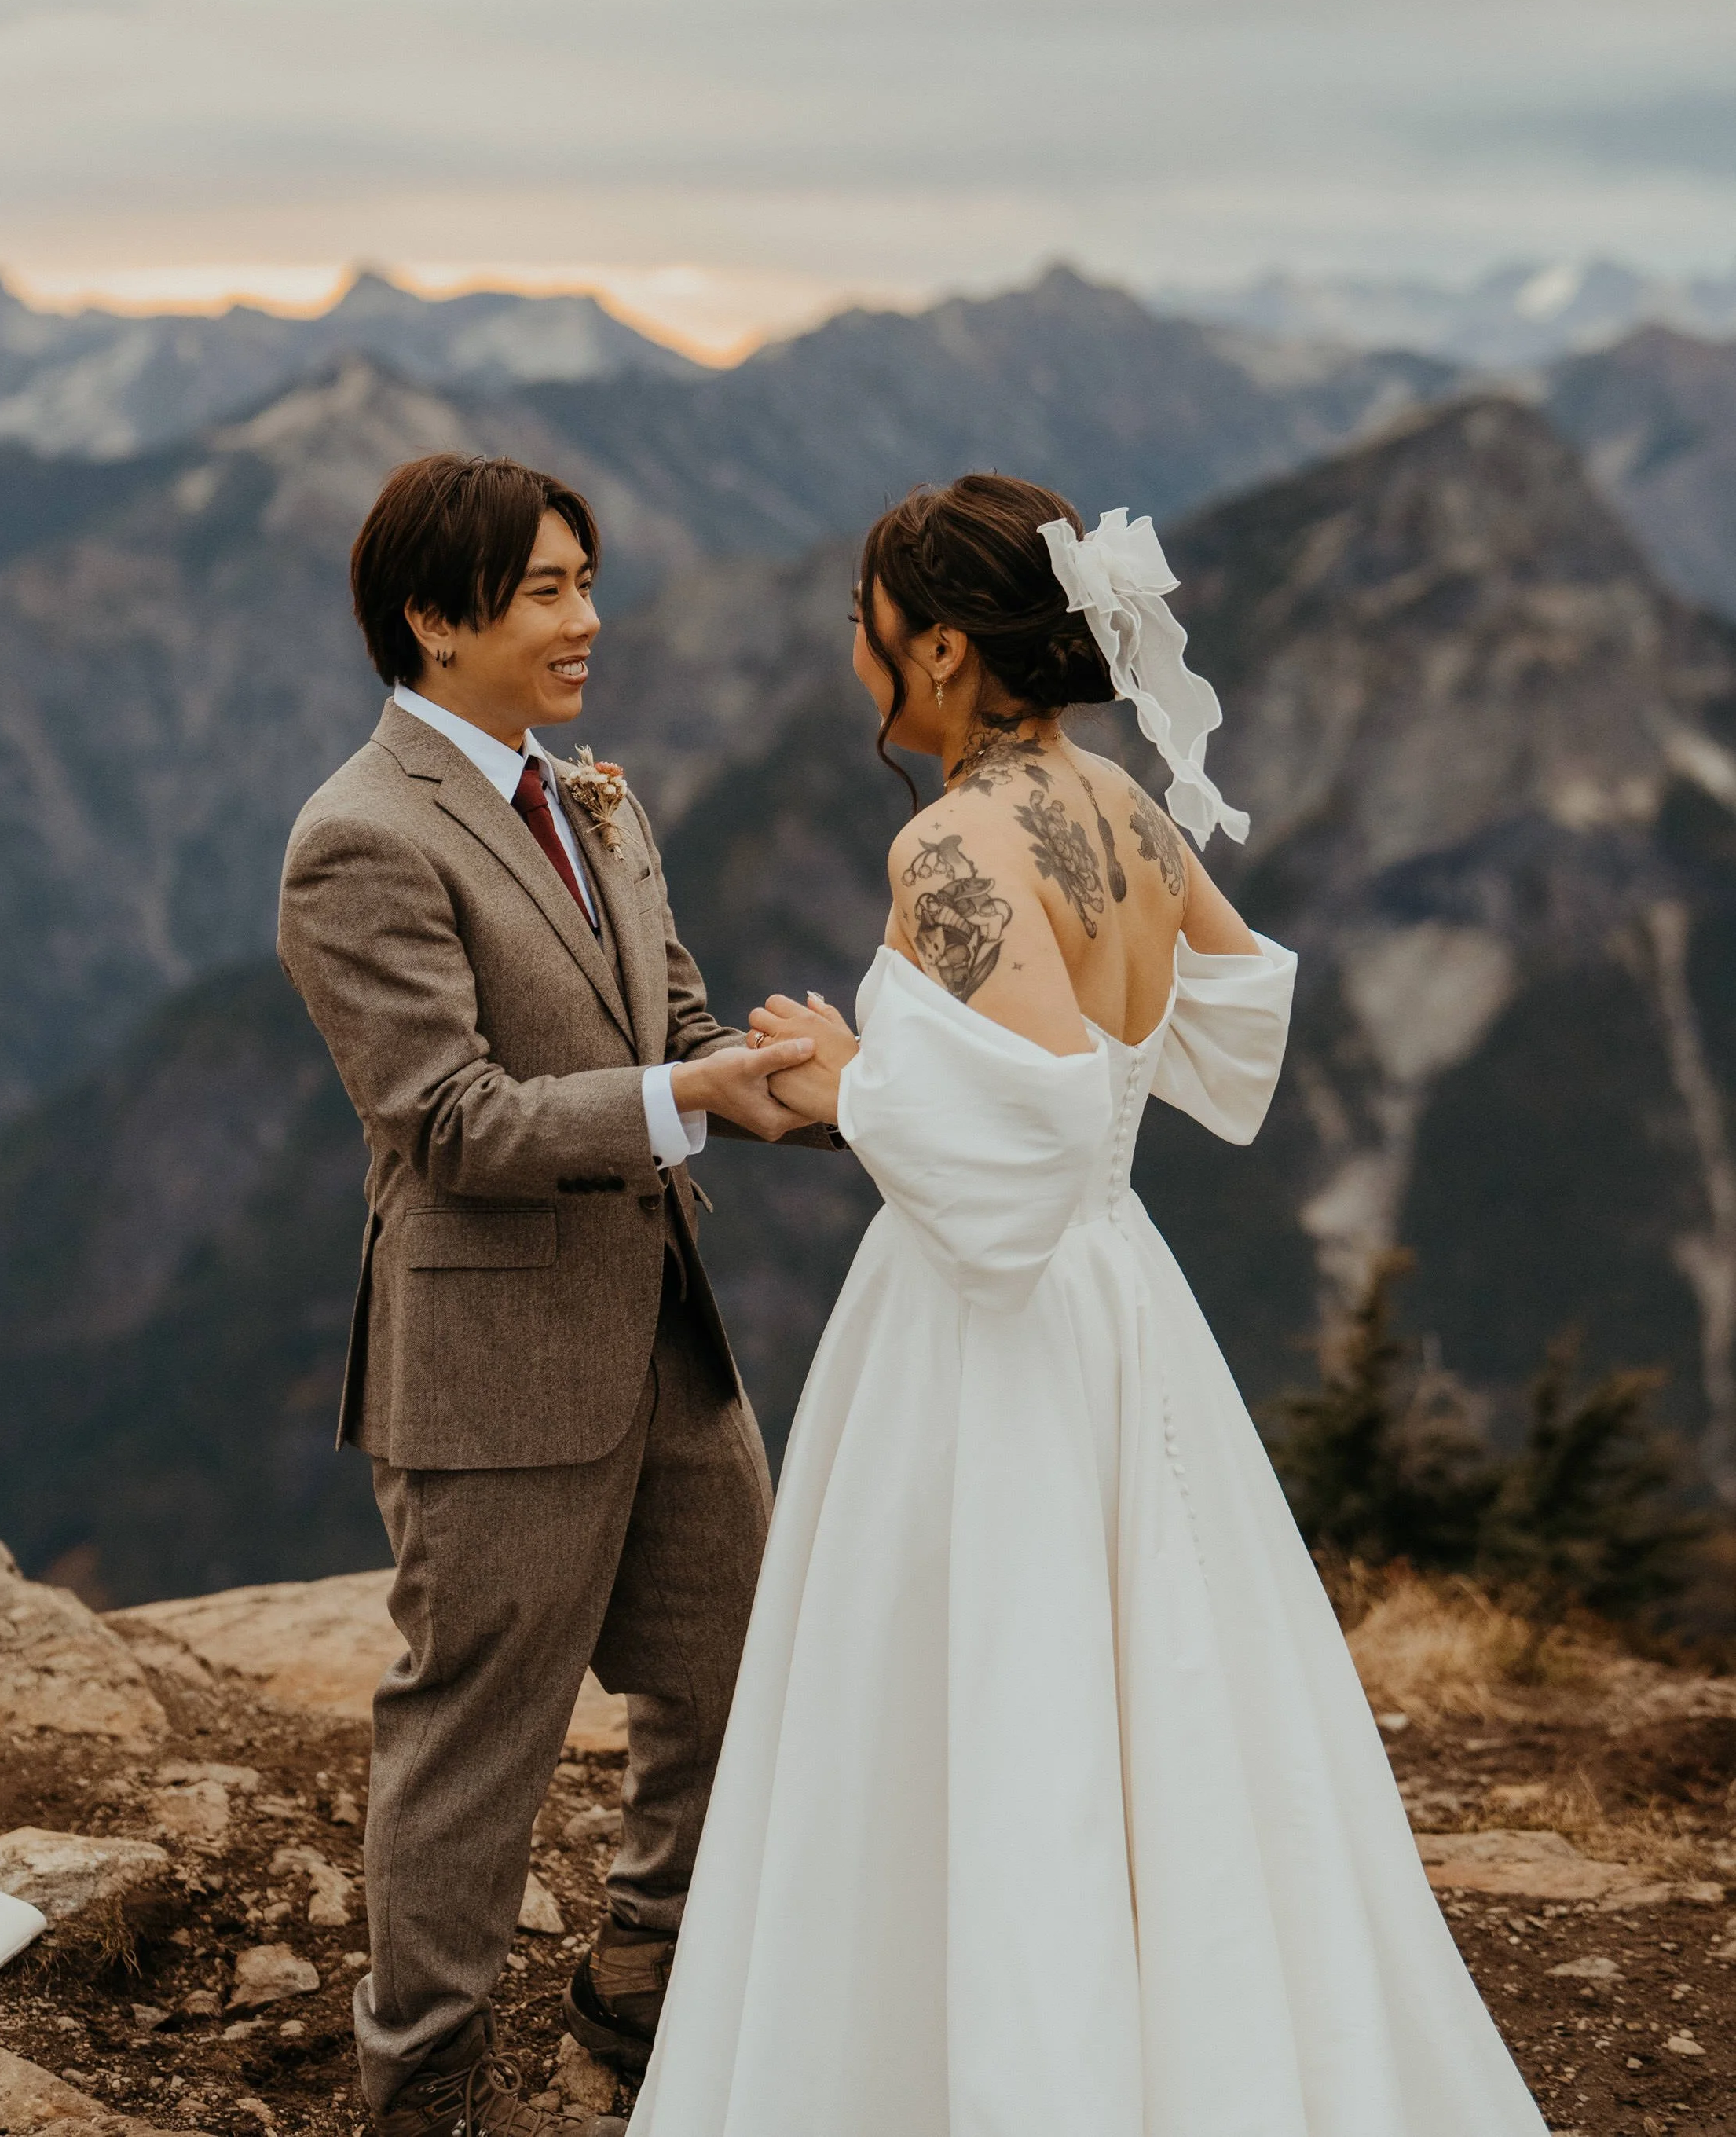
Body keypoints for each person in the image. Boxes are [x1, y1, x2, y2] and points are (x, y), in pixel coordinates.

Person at [632, 473, 1550, 2137]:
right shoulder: (1122, 800)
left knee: (985, 1699)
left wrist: (849, 1088)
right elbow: (1236, 996)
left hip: (991, 1324)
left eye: (868, 627)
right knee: (1162, 1697)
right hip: (1123, 1296)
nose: (854, 654)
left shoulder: (946, 843)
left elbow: (1036, 1124)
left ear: (946, 651)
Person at [277, 453, 819, 2137]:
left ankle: (646, 1975)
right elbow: (442, 1122)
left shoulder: (596, 799)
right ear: (433, 622)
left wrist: (773, 1062)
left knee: (745, 1676)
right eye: (543, 593)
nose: (586, 619)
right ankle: (421, 2088)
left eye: (585, 580)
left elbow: (674, 1015)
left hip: (662, 1336)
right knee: (473, 1752)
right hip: (491, 1364)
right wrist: (692, 1102)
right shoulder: (355, 839)